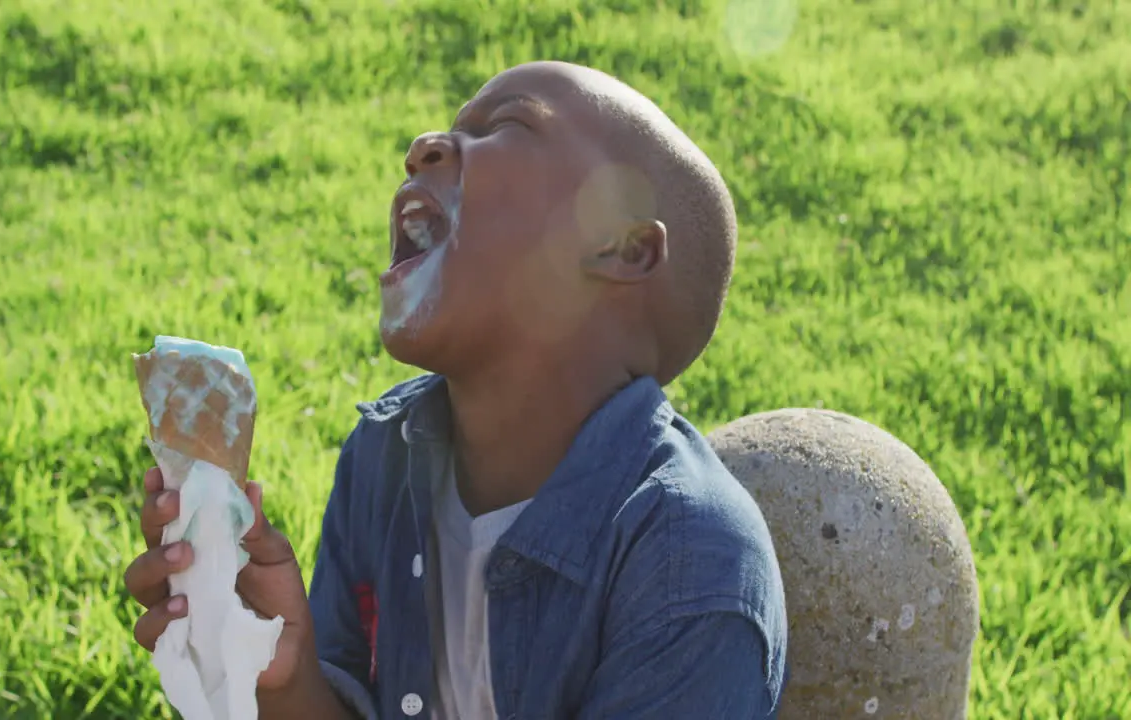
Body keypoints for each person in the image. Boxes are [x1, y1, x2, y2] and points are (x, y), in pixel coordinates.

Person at [123, 60, 787, 719]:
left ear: (621, 247)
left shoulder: (688, 564)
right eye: (447, 130)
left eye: (508, 126)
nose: (424, 149)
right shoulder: (384, 458)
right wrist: (280, 683)